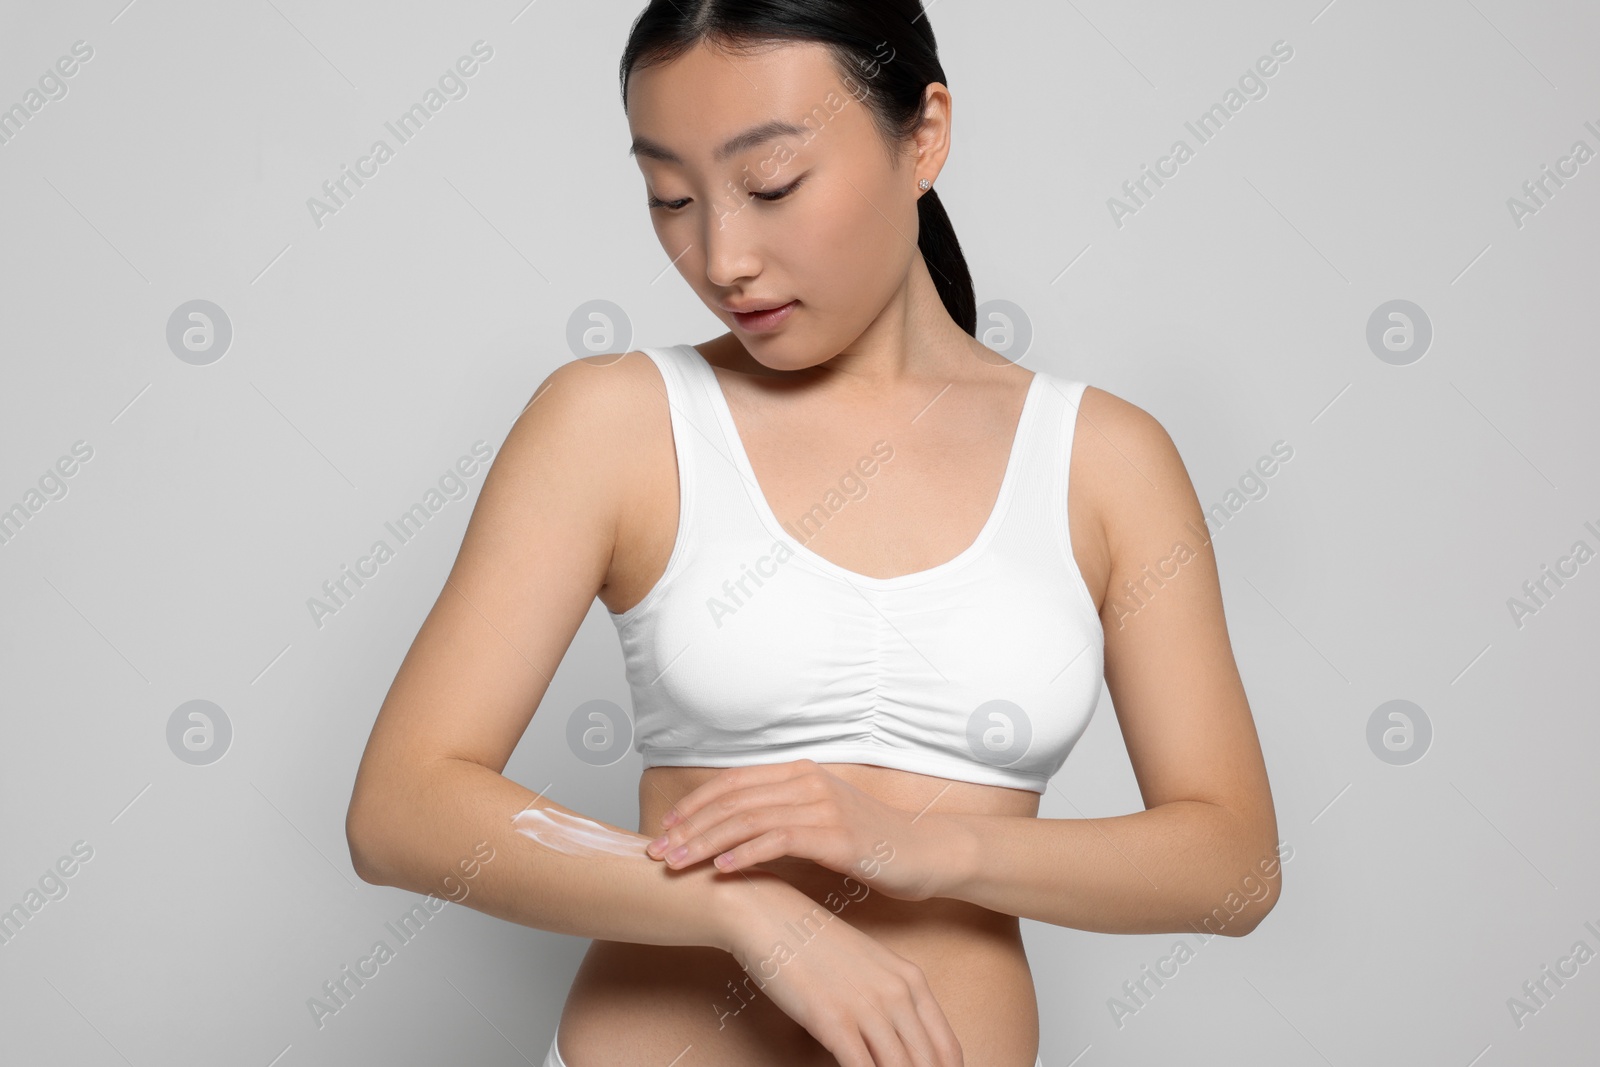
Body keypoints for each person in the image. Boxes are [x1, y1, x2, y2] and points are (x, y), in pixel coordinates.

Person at [345, 2, 1281, 1065]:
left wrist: (927, 846)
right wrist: (753, 914)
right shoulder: (615, 422)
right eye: (672, 198)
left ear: (922, 135)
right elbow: (402, 806)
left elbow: (1234, 865)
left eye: (773, 184)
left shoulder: (1103, 459)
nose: (722, 255)